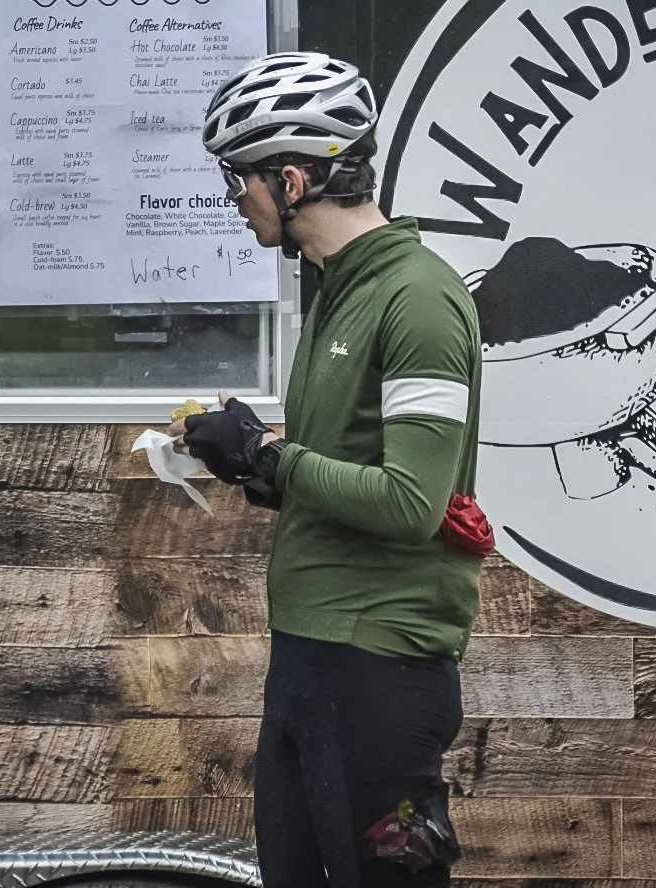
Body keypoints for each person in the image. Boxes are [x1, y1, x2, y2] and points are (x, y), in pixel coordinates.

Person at [172, 52, 490, 885]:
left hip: (381, 668)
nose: (232, 200)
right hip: (312, 654)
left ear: (291, 179)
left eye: (236, 178)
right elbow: (340, 476)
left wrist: (274, 454)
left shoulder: (417, 298)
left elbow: (412, 503)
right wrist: (250, 465)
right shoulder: (337, 290)